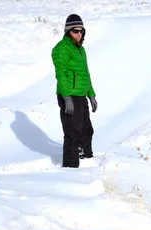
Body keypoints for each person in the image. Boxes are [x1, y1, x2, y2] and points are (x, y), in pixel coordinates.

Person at [51, 14, 98, 168]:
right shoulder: (61, 49)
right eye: (75, 31)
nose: (79, 34)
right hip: (69, 95)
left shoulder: (81, 49)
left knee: (86, 130)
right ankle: (71, 169)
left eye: (81, 31)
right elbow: (61, 73)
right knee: (73, 132)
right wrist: (66, 97)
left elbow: (86, 73)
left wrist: (91, 95)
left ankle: (87, 161)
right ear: (68, 31)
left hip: (81, 95)